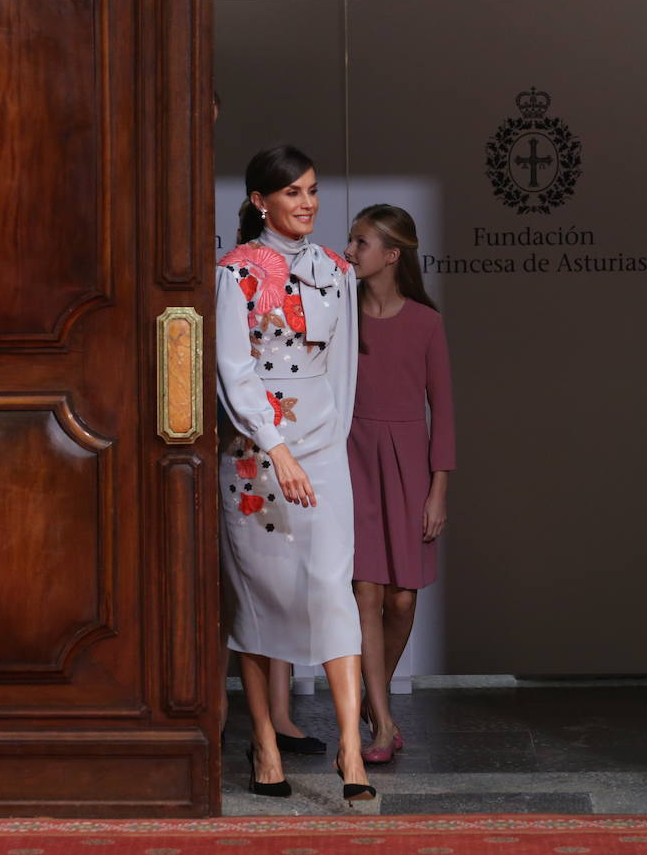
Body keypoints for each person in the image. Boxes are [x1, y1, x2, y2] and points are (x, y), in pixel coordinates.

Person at [216, 145, 373, 802]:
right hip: (256, 454)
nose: (306, 203)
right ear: (260, 201)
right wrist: (275, 445)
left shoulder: (336, 270)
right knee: (263, 593)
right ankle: (265, 742)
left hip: (322, 447)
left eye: (312, 190)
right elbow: (233, 367)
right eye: (292, 193)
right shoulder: (234, 271)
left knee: (334, 587)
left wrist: (327, 443)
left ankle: (351, 749)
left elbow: (343, 366)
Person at [342, 204, 455, 764]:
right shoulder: (341, 315)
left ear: (392, 255)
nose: (349, 251)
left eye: (360, 243)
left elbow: (446, 411)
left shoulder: (427, 323)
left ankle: (372, 693)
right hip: (352, 459)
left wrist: (439, 489)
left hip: (410, 464)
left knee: (402, 599)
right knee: (365, 591)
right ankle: (383, 725)